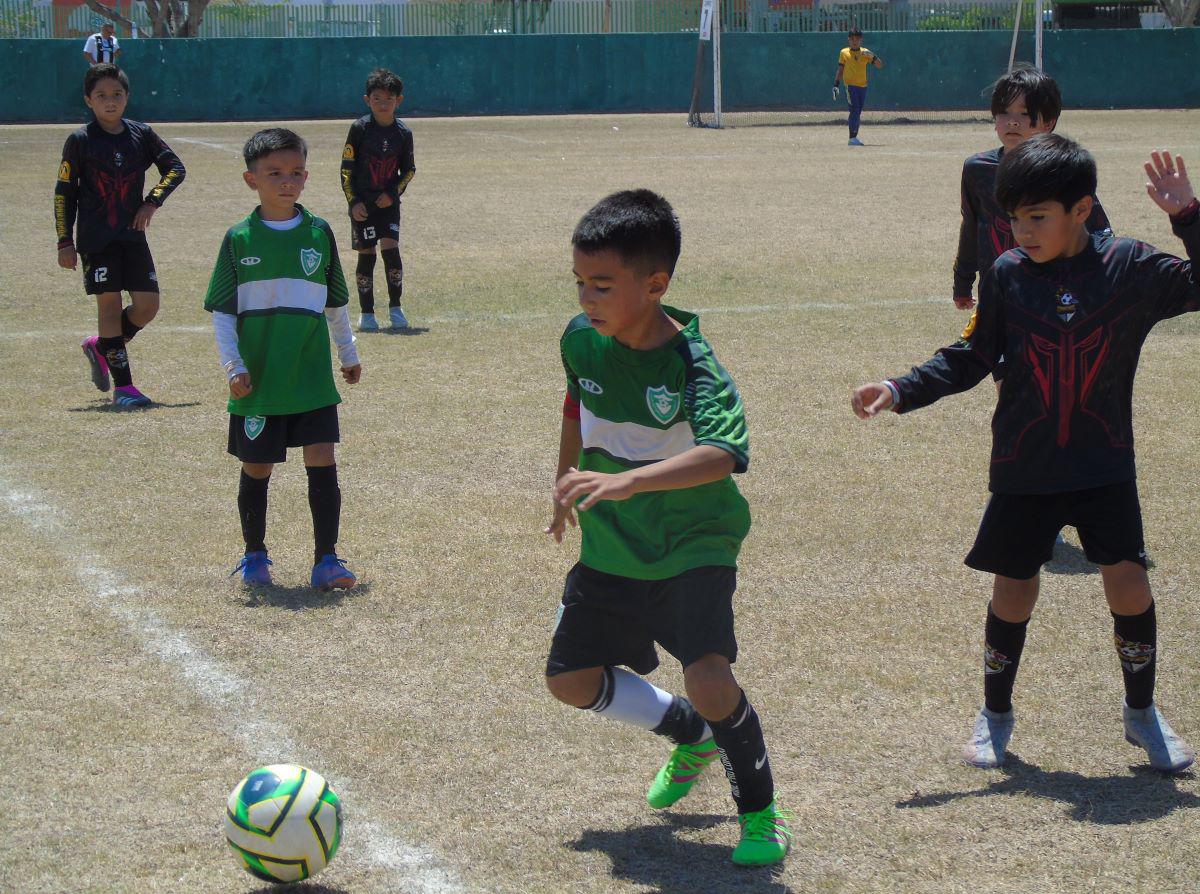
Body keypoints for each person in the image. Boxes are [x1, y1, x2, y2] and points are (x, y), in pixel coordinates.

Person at [852, 134, 1199, 773]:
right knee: (1014, 591)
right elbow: (975, 354)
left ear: (1083, 209)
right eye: (1013, 218)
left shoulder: (1128, 268)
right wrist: (901, 388)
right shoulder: (1007, 274)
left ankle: (1142, 712)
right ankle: (995, 714)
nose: (1021, 231)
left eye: (1036, 217)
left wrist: (1189, 218)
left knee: (1128, 582)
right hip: (1025, 464)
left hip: (1102, 465)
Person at [544, 189, 791, 866]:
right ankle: (690, 733)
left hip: (693, 541)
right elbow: (576, 402)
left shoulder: (693, 365)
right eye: (579, 283)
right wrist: (566, 481)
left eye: (602, 284)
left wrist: (626, 480)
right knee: (569, 679)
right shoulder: (580, 340)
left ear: (655, 286)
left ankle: (762, 816)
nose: (587, 298)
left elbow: (723, 456)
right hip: (614, 543)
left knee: (709, 675)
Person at [204, 128, 362, 591]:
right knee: (257, 468)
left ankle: (327, 559)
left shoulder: (319, 233)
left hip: (310, 375)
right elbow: (222, 311)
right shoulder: (239, 239)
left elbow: (335, 302)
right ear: (251, 179)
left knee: (322, 457)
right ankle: (255, 557)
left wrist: (347, 352)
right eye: (274, 173)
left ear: (307, 177)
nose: (286, 181)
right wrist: (233, 365)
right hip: (260, 379)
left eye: (295, 173)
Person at [55, 64, 185, 407]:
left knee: (147, 307)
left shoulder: (141, 134)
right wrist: (64, 240)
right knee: (109, 307)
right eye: (101, 96)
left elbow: (175, 168)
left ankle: (101, 347)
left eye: (116, 94)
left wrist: (151, 202)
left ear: (127, 97)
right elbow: (64, 192)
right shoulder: (80, 141)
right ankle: (124, 389)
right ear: (88, 100)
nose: (110, 102)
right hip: (97, 240)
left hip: (132, 236)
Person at [953, 66, 1111, 311]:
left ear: (1048, 122)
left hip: (1053, 297)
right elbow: (972, 225)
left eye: (1025, 113)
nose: (1013, 121)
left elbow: (1100, 233)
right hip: (998, 294)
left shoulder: (1064, 170)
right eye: (1004, 112)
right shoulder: (978, 169)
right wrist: (963, 281)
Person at [339, 68, 416, 333]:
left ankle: (396, 307)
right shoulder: (359, 129)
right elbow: (346, 169)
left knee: (391, 247)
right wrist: (353, 202)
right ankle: (367, 312)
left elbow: (409, 170)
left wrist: (392, 194)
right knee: (366, 252)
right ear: (366, 100)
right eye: (377, 99)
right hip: (363, 203)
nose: (383, 104)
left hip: (388, 204)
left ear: (399, 101)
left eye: (389, 99)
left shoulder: (403, 134)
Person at [832, 28, 882, 147]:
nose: (855, 41)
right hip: (850, 86)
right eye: (852, 39)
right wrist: (836, 85)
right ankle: (852, 138)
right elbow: (840, 69)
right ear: (849, 40)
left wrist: (873, 56)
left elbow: (880, 65)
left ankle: (854, 137)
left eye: (857, 39)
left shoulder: (865, 53)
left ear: (861, 40)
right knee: (854, 109)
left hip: (863, 86)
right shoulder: (844, 52)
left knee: (858, 111)